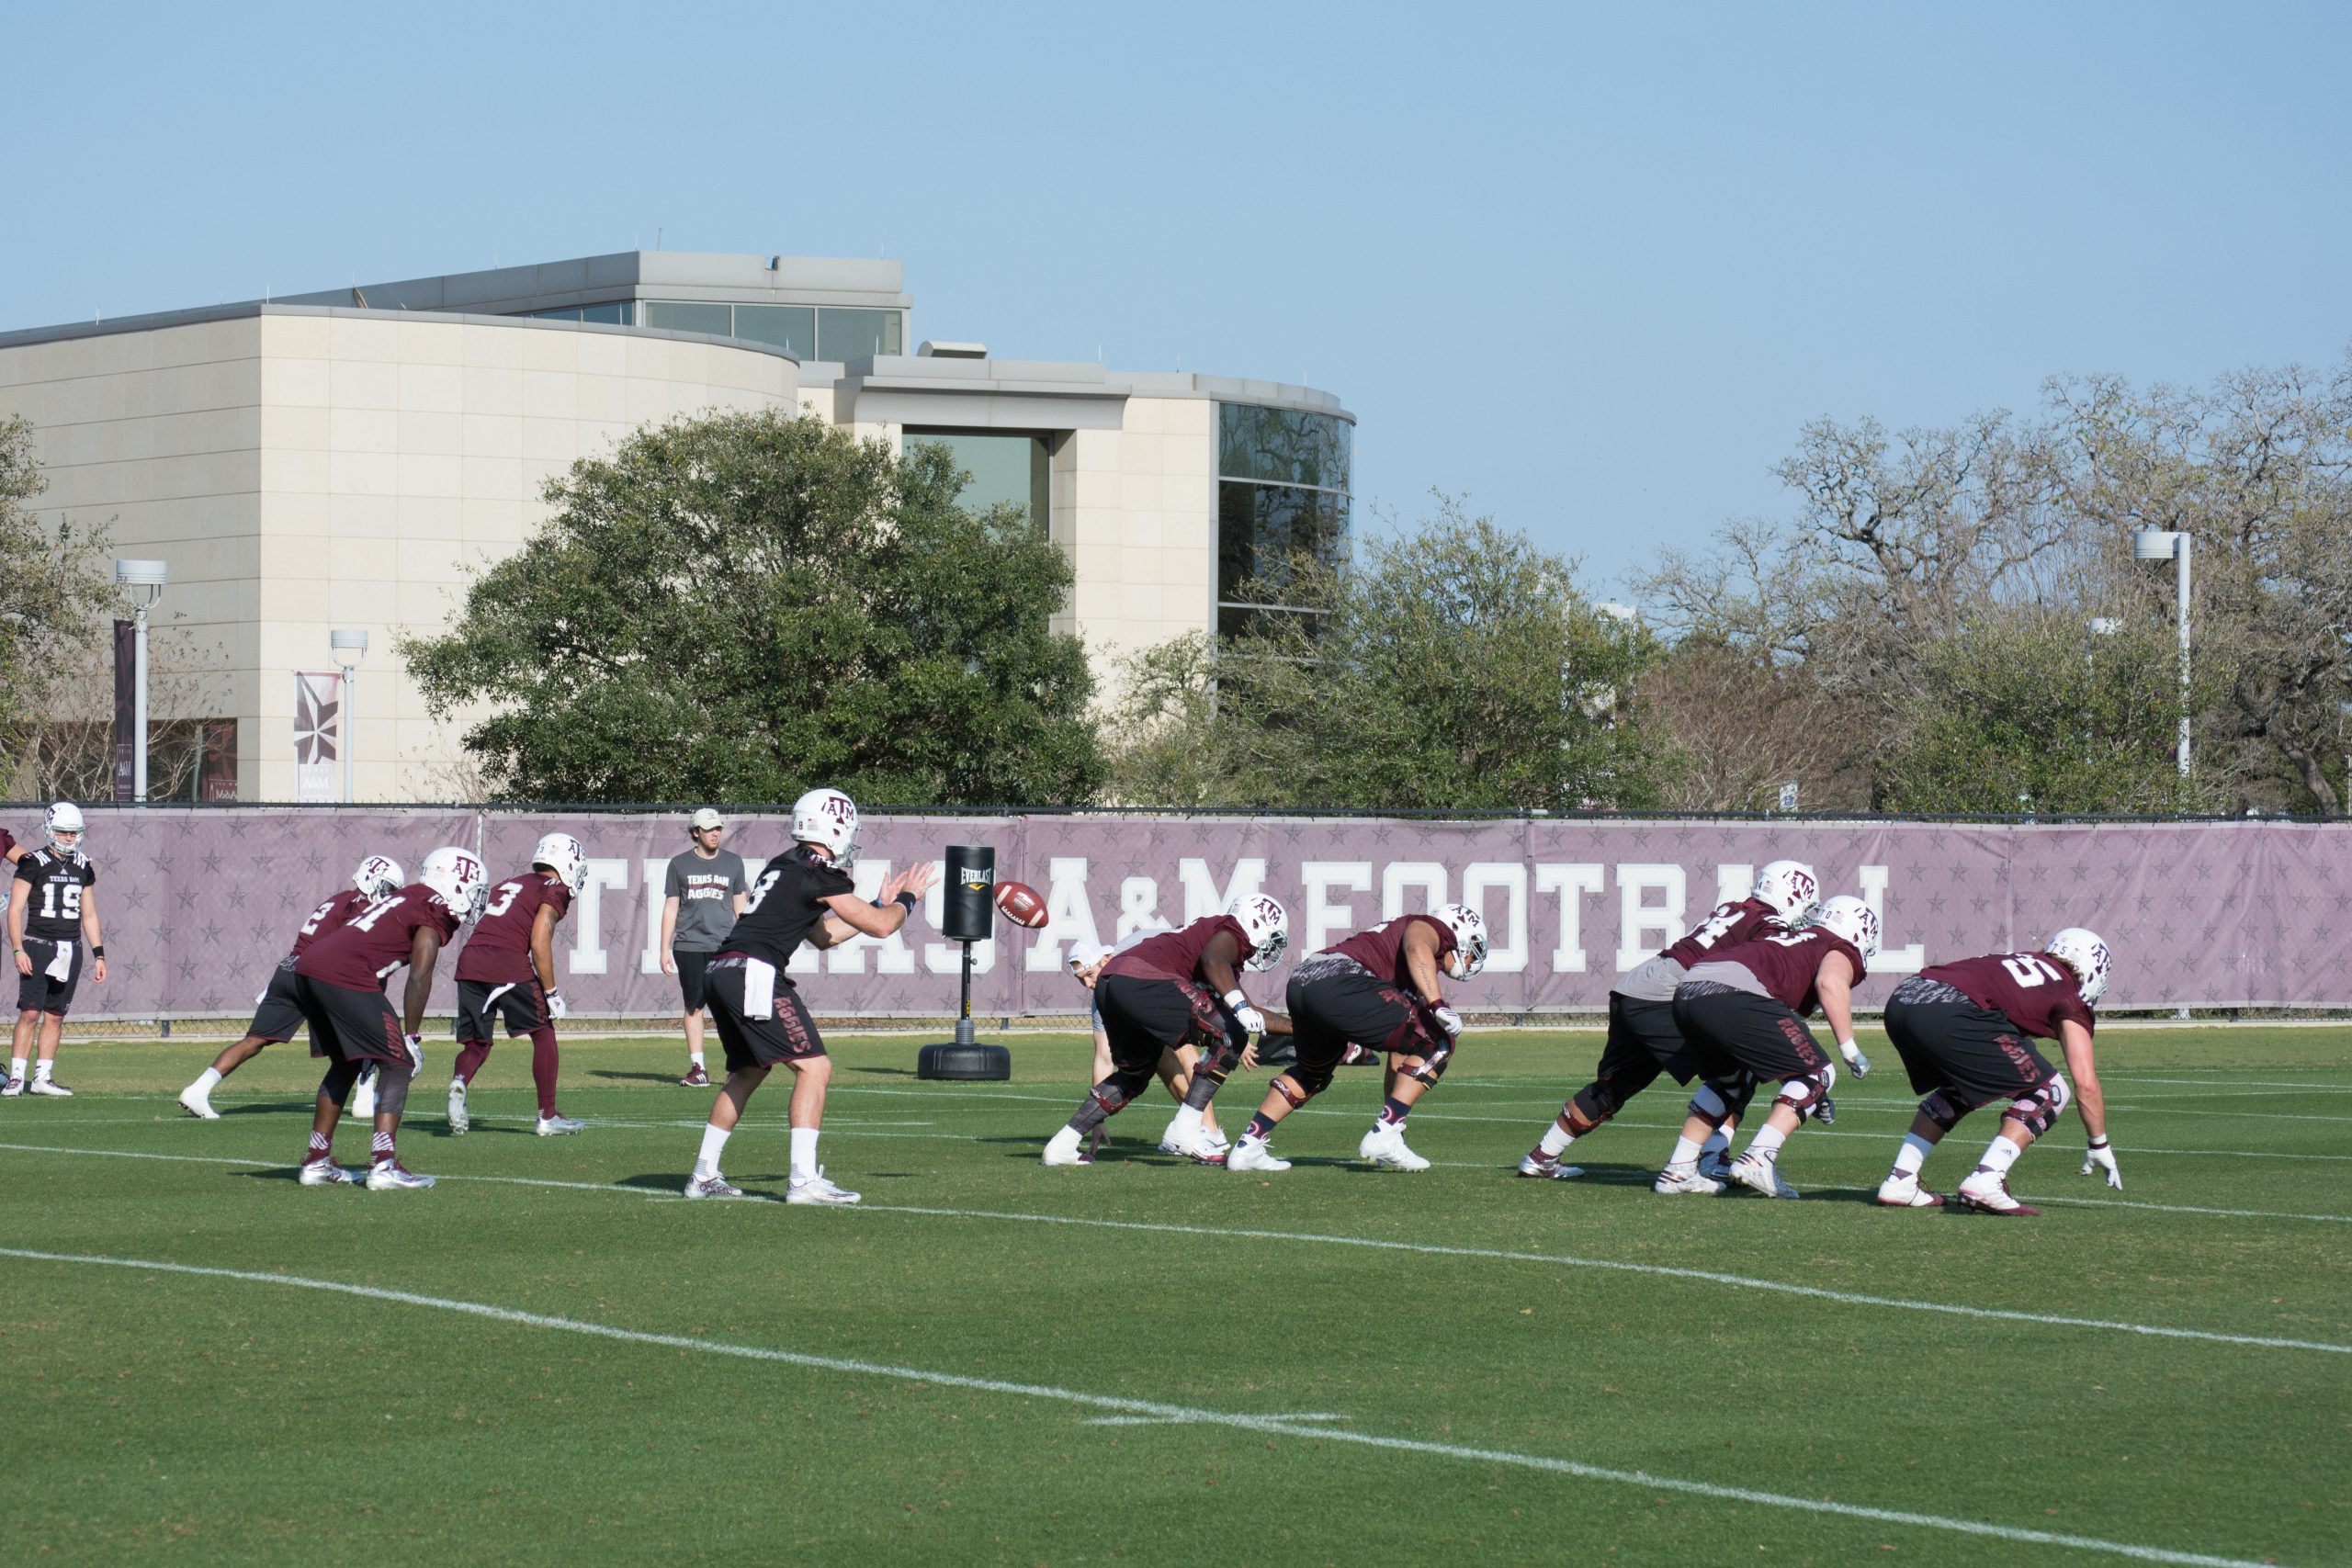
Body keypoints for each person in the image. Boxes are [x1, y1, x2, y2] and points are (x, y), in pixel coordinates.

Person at [684, 788, 935, 1202]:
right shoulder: (820, 870)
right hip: (754, 969)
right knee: (815, 1069)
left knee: (748, 1072)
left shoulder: (785, 864)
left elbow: (824, 935)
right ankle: (802, 1180)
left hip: (722, 968)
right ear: (835, 826)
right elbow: (881, 926)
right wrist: (907, 900)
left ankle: (703, 1175)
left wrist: (875, 902)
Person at [1520, 861, 1819, 1180]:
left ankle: (1541, 1157)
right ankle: (1710, 1158)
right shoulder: (1769, 925)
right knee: (1739, 1071)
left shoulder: (1734, 908)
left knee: (1615, 1086)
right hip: (1667, 995)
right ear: (1792, 897)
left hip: (1635, 987)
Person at [1227, 903, 1490, 1175]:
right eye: (1474, 950)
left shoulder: (1405, 966)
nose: (1471, 960)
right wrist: (1436, 1003)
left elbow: (1398, 1060)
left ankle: (1249, 1146)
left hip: (1305, 980)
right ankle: (1385, 1133)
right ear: (1458, 932)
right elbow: (1417, 944)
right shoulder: (1430, 927)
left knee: (1312, 1072)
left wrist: (1393, 1119)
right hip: (1340, 980)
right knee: (1439, 1038)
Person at [1873, 928, 2116, 1216]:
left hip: (1905, 999)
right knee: (2050, 1091)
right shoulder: (2067, 994)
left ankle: (1901, 1179)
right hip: (1951, 1010)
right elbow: (2085, 1082)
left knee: (1959, 1086)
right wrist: (2098, 1142)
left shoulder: (2019, 959)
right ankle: (1987, 1178)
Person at [1040, 895, 1290, 1168]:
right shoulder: (1231, 933)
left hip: (1113, 985)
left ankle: (1063, 1144)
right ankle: (1185, 1128)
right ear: (1256, 924)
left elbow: (1249, 1009)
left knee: (1134, 1075)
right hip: (1140, 979)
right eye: (1273, 939)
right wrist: (1239, 1010)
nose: (1271, 949)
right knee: (1232, 1036)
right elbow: (1213, 959)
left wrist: (1303, 1029)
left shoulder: (1219, 952)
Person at [1657, 895, 1880, 1199]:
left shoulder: (1792, 936)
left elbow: (1783, 1053)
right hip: (1733, 991)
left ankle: (1678, 1169)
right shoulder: (1840, 946)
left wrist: (1813, 1097)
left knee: (1730, 1082)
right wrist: (1849, 1049)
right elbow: (1830, 982)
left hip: (1690, 988)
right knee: (1819, 1073)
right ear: (1859, 932)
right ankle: (1758, 1158)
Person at [291, 846, 487, 1190]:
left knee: (344, 1064)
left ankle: (316, 1161)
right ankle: (383, 1165)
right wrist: (411, 1036)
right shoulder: (433, 906)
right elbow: (420, 974)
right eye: (473, 891)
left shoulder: (410, 895)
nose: (475, 901)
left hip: (312, 966)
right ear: (455, 884)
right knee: (398, 1063)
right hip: (344, 972)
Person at [178, 854, 406, 1118]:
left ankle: (199, 1088)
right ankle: (364, 1101)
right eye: (388, 888)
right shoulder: (359, 908)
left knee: (254, 1041)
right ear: (372, 879)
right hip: (318, 977)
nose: (389, 896)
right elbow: (359, 953)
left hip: (289, 970)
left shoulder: (337, 899)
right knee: (366, 1030)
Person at [447, 832, 588, 1136]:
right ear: (567, 863)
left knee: (477, 1044)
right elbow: (539, 941)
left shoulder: (509, 883)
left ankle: (459, 1079)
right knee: (543, 1033)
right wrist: (551, 992)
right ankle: (548, 1115)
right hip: (507, 961)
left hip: (470, 960)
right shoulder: (556, 888)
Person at [1064, 929, 1232, 1156]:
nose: (1087, 984)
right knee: (1160, 1057)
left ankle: (1212, 1134)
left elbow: (1181, 942)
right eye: (1080, 979)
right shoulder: (1102, 999)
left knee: (1181, 1044)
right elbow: (1103, 1057)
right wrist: (1098, 1120)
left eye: (1089, 974)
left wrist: (1230, 1026)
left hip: (1183, 979)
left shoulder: (1138, 957)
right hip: (1163, 991)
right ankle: (1194, 1130)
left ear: (1106, 960)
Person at [4, 805, 106, 1099]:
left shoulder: (84, 865)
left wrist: (99, 954)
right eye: (63, 831)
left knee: (55, 1015)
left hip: (70, 949)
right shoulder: (32, 862)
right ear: (50, 829)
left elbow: (89, 915)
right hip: (37, 946)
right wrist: (17, 950)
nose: (69, 838)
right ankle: (16, 1077)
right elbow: (15, 910)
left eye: (74, 833)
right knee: (29, 1013)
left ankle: (42, 1077)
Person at [662, 807, 749, 1087]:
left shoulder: (734, 863)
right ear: (695, 832)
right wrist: (664, 948)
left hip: (724, 945)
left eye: (718, 829)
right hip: (689, 946)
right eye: (709, 829)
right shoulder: (679, 864)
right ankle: (698, 1068)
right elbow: (671, 907)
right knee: (694, 1007)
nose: (715, 833)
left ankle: (736, 1067)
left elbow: (740, 906)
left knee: (730, 1007)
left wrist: (750, 943)